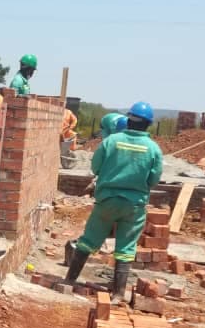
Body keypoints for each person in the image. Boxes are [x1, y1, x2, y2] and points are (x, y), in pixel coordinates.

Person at [65, 101, 163, 302]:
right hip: (134, 205)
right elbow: (154, 179)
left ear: (129, 120)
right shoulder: (153, 149)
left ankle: (69, 280)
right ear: (148, 124)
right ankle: (118, 293)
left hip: (107, 200)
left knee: (89, 240)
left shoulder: (112, 141)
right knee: (126, 248)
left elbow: (95, 167)